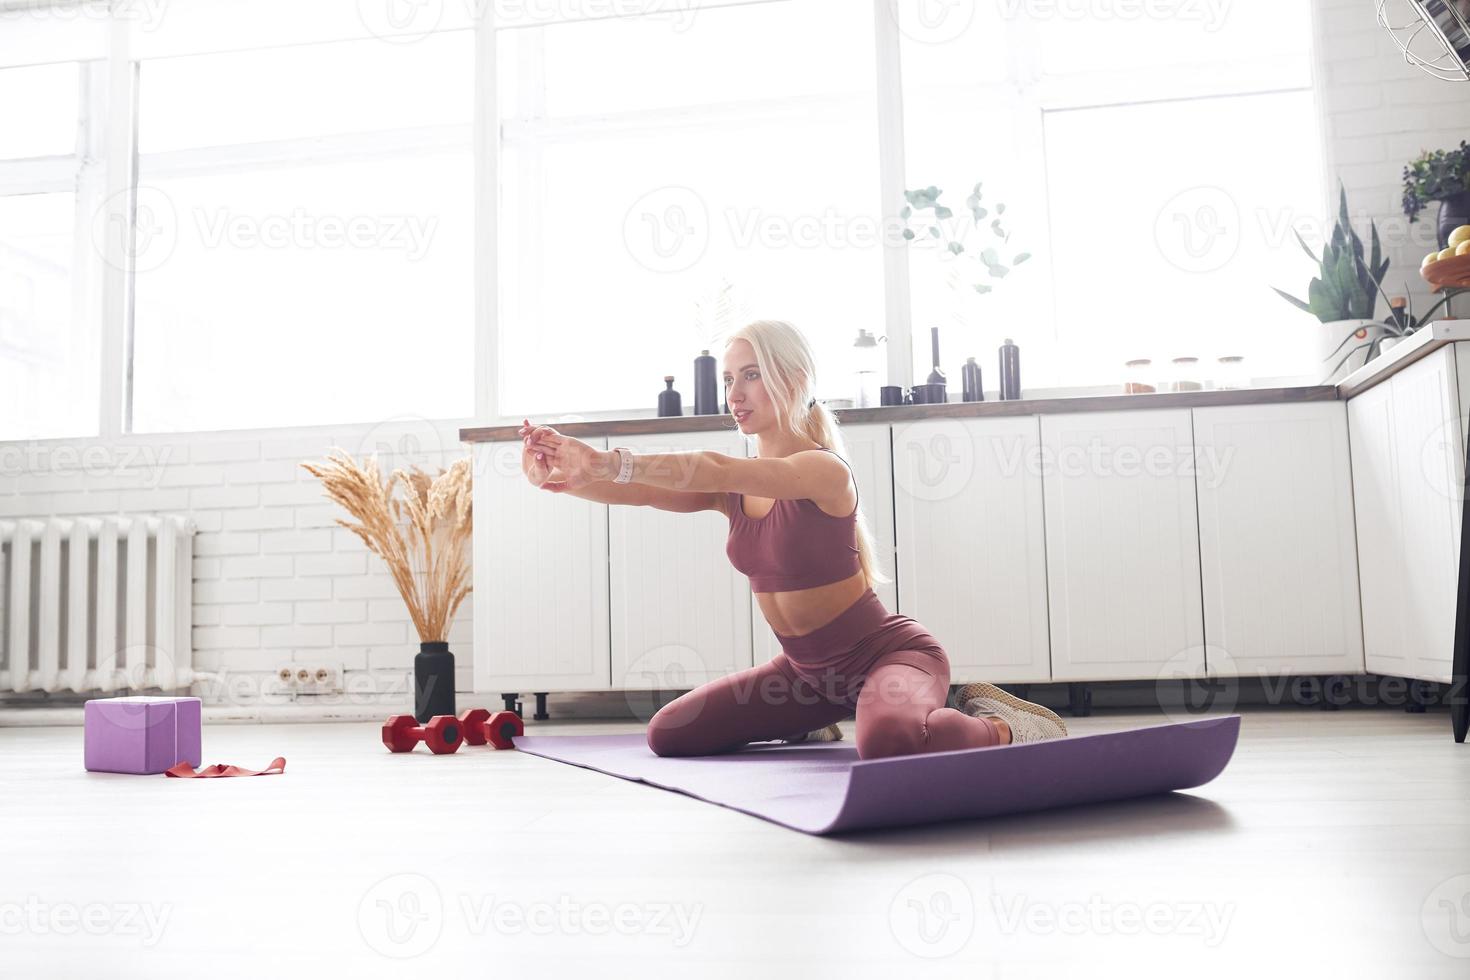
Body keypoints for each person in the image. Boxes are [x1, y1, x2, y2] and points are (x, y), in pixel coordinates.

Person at [519, 319, 1068, 760]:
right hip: (804, 679)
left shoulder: (822, 470)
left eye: (751, 375)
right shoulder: (731, 489)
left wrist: (603, 459)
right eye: (729, 378)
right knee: (670, 734)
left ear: (797, 377)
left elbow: (708, 467)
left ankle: (1002, 724)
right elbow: (640, 493)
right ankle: (812, 722)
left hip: (889, 657)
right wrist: (566, 480)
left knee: (888, 744)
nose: (734, 392)